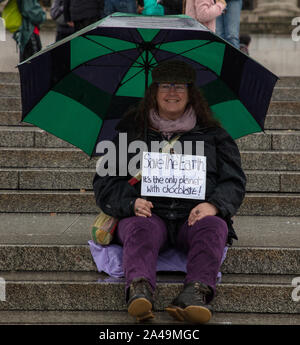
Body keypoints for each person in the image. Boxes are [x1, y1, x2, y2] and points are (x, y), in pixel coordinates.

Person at [93, 60, 246, 324]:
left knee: (214, 227)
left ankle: (195, 294)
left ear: (191, 94)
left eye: (180, 87)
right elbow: (104, 182)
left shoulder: (213, 134)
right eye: (165, 86)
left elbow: (234, 181)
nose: (172, 92)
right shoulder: (131, 132)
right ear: (154, 91)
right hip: (149, 215)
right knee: (139, 229)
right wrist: (131, 203)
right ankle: (139, 290)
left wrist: (214, 205)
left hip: (194, 216)